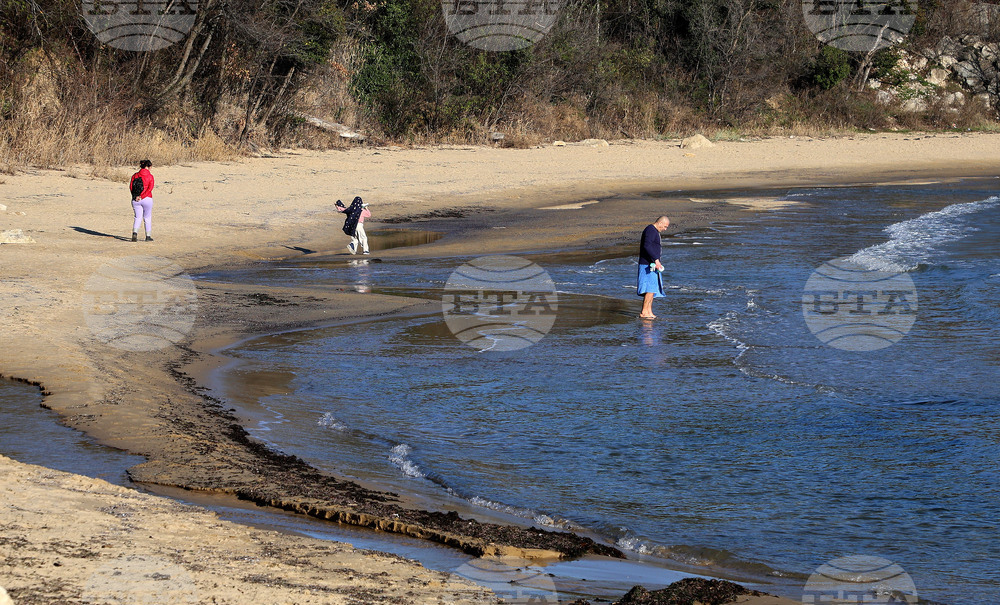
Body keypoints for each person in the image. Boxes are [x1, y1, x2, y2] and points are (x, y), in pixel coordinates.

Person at [637, 215, 670, 319]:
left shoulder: (654, 231)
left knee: (653, 289)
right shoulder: (650, 230)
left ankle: (649, 311)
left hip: (653, 265)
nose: (665, 229)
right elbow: (647, 246)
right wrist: (656, 260)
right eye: (665, 226)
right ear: (660, 223)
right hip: (647, 264)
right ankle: (644, 312)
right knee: (649, 289)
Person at [129, 159, 154, 242]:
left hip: (135, 200)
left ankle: (135, 233)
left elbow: (131, 187)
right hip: (147, 199)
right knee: (147, 217)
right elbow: (150, 189)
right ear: (148, 166)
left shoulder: (135, 175)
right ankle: (148, 236)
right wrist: (142, 196)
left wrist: (136, 196)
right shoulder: (150, 176)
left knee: (137, 217)